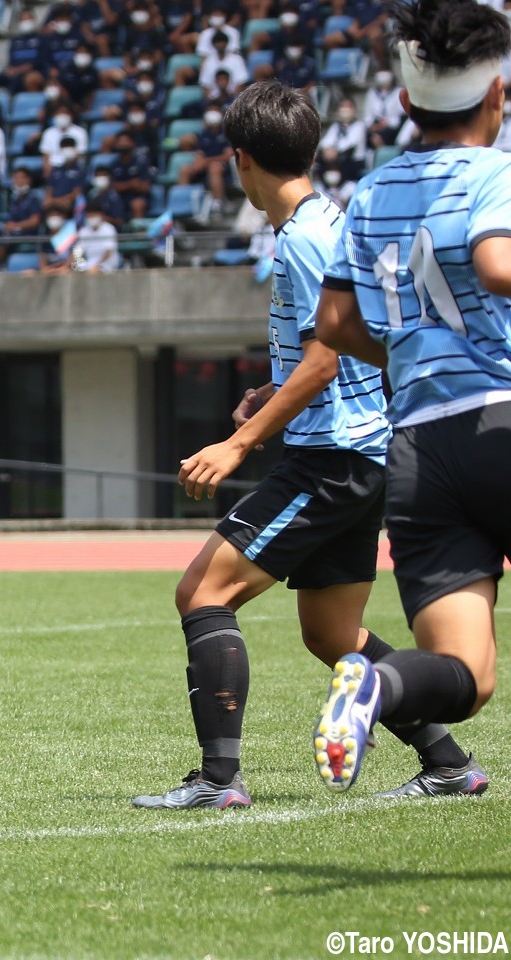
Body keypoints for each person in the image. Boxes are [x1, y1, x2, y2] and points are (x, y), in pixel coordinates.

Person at [134, 80, 483, 810]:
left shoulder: (302, 238)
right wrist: (273, 390)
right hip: (361, 455)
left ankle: (220, 781)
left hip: (330, 460)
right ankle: (449, 765)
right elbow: (350, 346)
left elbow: (326, 359)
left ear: (240, 160)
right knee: (332, 634)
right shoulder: (333, 221)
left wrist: (241, 441)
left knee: (202, 592)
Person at [311, 0, 511, 794]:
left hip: (420, 451)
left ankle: (378, 687)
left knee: (467, 671)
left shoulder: (370, 191)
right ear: (499, 96)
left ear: (404, 103)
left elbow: (334, 321)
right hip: (502, 418)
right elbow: (496, 265)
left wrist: (400, 349)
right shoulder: (498, 173)